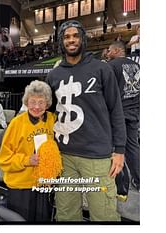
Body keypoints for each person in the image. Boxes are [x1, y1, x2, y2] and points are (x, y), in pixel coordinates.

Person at [46, 20, 126, 222]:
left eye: (75, 36)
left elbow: (116, 109)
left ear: (82, 39)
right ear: (61, 42)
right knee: (66, 214)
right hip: (64, 156)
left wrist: (120, 150)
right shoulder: (54, 75)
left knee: (104, 215)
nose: (71, 40)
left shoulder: (101, 69)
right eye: (66, 37)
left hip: (97, 157)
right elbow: (50, 113)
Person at [0, 80, 59, 222]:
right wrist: (27, 160)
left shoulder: (52, 120)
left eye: (41, 102)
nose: (36, 107)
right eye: (32, 102)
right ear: (26, 102)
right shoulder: (16, 124)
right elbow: (4, 159)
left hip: (44, 185)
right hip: (21, 188)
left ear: (48, 103)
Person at [106, 41, 140, 192]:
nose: (107, 53)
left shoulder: (112, 66)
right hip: (134, 112)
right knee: (133, 147)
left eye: (109, 50)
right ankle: (139, 179)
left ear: (117, 50)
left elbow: (107, 92)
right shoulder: (137, 66)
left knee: (114, 150)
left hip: (118, 115)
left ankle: (118, 184)